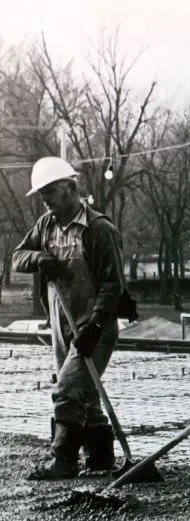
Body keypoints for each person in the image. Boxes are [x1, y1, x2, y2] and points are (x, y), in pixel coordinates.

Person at [13, 157, 126, 480]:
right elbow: (18, 257)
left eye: (51, 191)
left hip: (95, 326)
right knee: (86, 394)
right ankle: (100, 457)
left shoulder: (99, 229)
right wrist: (40, 258)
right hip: (62, 323)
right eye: (42, 194)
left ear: (72, 188)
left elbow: (113, 285)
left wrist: (97, 326)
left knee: (66, 389)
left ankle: (63, 459)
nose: (46, 199)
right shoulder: (45, 226)